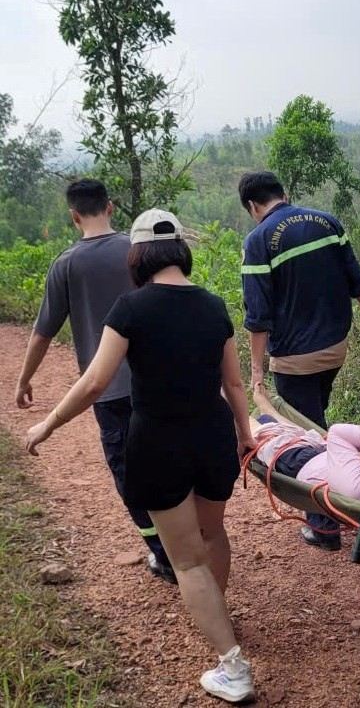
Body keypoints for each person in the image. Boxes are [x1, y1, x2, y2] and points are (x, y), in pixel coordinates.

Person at [24, 209, 258, 704]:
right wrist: (245, 434)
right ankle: (218, 618)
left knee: (187, 561)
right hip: (213, 435)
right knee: (213, 534)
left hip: (158, 443)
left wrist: (47, 424)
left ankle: (232, 666)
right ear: (180, 250)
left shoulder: (130, 309)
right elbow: (233, 382)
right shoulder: (214, 306)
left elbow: (94, 382)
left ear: (138, 255)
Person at [13, 179, 174, 582]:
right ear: (111, 207)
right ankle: (188, 540)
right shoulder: (137, 252)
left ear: (73, 216)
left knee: (128, 473)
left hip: (109, 393)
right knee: (171, 459)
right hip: (158, 381)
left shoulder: (66, 264)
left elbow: (42, 332)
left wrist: (24, 380)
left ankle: (163, 552)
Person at [239, 171, 360, 551]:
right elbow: (357, 279)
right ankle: (341, 497)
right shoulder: (327, 221)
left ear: (253, 207)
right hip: (336, 348)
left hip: (294, 358)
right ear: (284, 194)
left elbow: (258, 315)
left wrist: (256, 373)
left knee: (307, 433)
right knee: (315, 418)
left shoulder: (258, 241)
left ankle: (324, 526)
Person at [248, 391, 360, 507]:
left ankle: (249, 406)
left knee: (248, 426)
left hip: (300, 461)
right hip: (328, 452)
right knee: (299, 434)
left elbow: (338, 431)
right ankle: (268, 409)